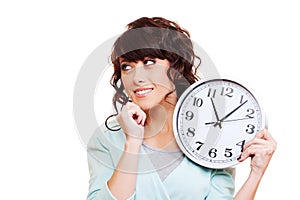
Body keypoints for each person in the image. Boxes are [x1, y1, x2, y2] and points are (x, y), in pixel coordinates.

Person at [87, 17, 276, 200]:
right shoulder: (107, 138)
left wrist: (256, 174)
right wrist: (133, 143)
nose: (136, 78)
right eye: (127, 67)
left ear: (176, 66)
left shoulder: (209, 137)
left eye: (149, 62)